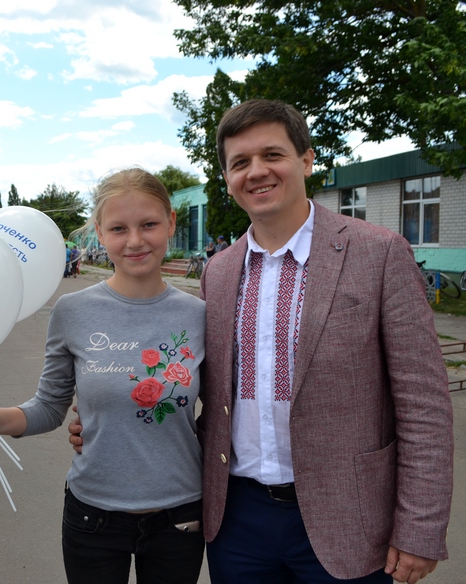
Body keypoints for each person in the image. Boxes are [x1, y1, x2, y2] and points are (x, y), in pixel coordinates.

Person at [72, 100, 454, 583]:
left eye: (271, 154)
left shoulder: (378, 253)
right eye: (239, 163)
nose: (256, 172)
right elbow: (195, 387)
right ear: (228, 178)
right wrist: (111, 415)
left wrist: (420, 526)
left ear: (307, 160)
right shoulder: (220, 269)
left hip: (348, 516)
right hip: (237, 519)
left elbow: (424, 405)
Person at [0, 168, 206, 584]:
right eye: (118, 228)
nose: (135, 240)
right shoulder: (73, 311)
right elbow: (50, 407)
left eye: (149, 225)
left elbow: (222, 414)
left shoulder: (199, 315)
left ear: (171, 223)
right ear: (99, 235)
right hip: (94, 517)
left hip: (180, 518)